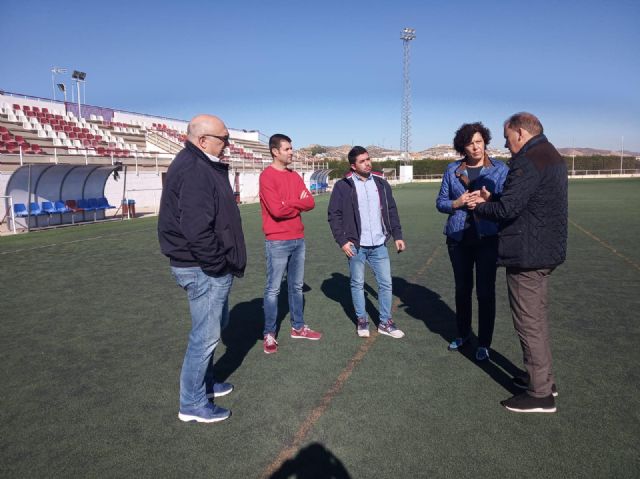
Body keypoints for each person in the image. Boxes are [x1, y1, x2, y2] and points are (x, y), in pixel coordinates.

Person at [469, 112, 567, 413]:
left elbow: (509, 209)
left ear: (521, 133)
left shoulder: (527, 159)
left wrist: (482, 204)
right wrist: (495, 196)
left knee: (529, 322)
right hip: (545, 249)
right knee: (536, 318)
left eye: (507, 137)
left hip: (528, 253)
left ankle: (540, 394)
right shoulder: (552, 156)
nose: (506, 144)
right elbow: (523, 199)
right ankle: (542, 380)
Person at [157, 114, 247, 423]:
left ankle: (205, 383)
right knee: (205, 336)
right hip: (201, 268)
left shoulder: (198, 163)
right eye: (223, 139)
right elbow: (197, 229)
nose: (227, 144)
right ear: (203, 140)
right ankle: (192, 402)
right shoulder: (195, 169)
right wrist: (217, 266)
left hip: (202, 266)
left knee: (211, 329)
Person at [436, 122, 508, 361]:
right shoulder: (451, 170)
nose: (476, 147)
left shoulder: (500, 169)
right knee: (462, 290)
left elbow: (507, 203)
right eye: (470, 143)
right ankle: (463, 333)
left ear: (485, 142)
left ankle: (484, 342)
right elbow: (441, 202)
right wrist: (457, 203)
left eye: (479, 141)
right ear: (462, 147)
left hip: (487, 237)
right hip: (458, 238)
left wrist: (489, 200)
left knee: (485, 292)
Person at [328, 146, 406, 338]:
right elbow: (334, 215)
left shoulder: (381, 183)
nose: (368, 163)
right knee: (357, 283)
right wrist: (342, 241)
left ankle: (385, 322)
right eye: (362, 161)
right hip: (356, 245)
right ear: (353, 166)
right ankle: (362, 320)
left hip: (379, 244)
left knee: (386, 284)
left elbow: (391, 210)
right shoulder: (342, 186)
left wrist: (397, 235)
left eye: (368, 159)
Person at [260, 133, 321, 355]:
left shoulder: (294, 176)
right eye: (287, 149)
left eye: (291, 149)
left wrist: (289, 203)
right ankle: (269, 333)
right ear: (275, 151)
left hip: (298, 238)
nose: (291, 152)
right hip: (277, 240)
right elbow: (275, 211)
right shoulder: (266, 177)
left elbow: (311, 202)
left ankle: (298, 327)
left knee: (295, 286)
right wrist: (297, 204)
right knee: (273, 289)